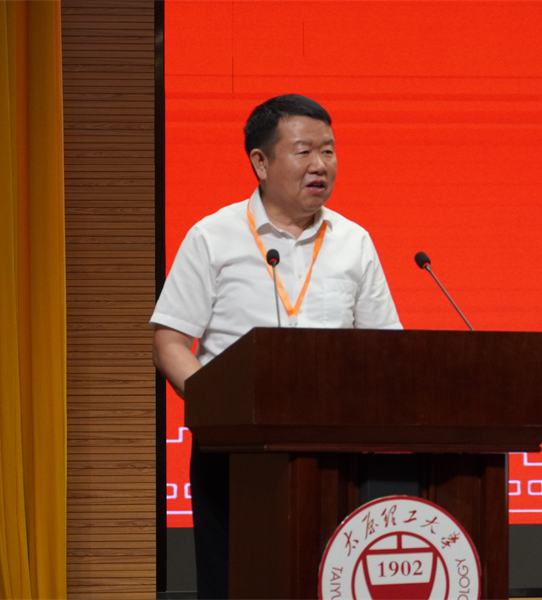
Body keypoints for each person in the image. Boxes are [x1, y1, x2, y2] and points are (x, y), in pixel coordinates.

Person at [150, 94, 402, 598]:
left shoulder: (354, 241)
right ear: (260, 162)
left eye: (328, 150)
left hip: (332, 445)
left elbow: (384, 349)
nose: (320, 165)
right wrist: (218, 407)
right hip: (235, 449)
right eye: (304, 151)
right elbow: (170, 341)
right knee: (235, 581)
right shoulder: (212, 237)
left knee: (328, 580)